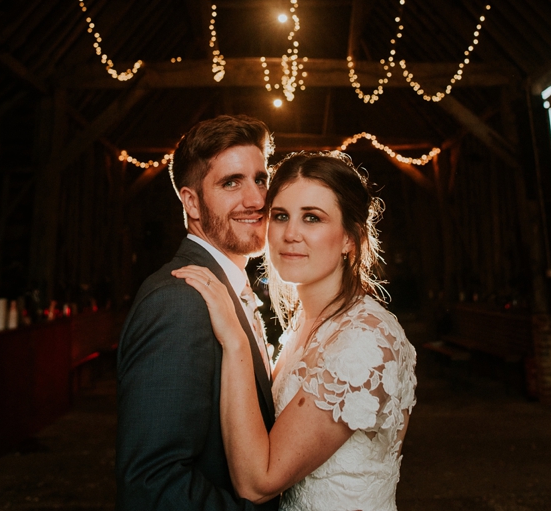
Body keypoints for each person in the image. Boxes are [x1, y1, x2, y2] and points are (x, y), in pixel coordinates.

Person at [174, 151, 417, 511]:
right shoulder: (307, 325)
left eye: (312, 218)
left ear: (350, 238)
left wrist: (235, 339)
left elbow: (259, 483)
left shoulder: (363, 341)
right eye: (281, 216)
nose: (290, 234)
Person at [116, 115, 278, 511]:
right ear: (191, 201)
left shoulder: (227, 287)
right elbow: (153, 484)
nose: (257, 200)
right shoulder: (179, 301)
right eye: (231, 183)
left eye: (260, 178)